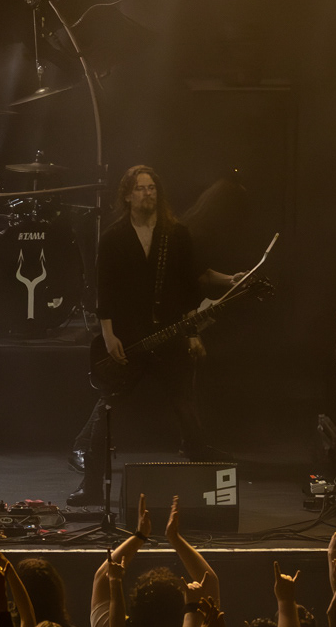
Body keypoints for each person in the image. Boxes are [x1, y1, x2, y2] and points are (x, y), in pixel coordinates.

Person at [70, 165, 238, 504]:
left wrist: (230, 280)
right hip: (129, 337)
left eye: (152, 188)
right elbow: (104, 291)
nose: (147, 194)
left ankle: (204, 482)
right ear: (127, 195)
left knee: (184, 403)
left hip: (168, 335)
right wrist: (109, 336)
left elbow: (193, 279)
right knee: (108, 408)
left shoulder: (175, 234)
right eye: (140, 188)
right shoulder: (114, 237)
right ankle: (92, 486)